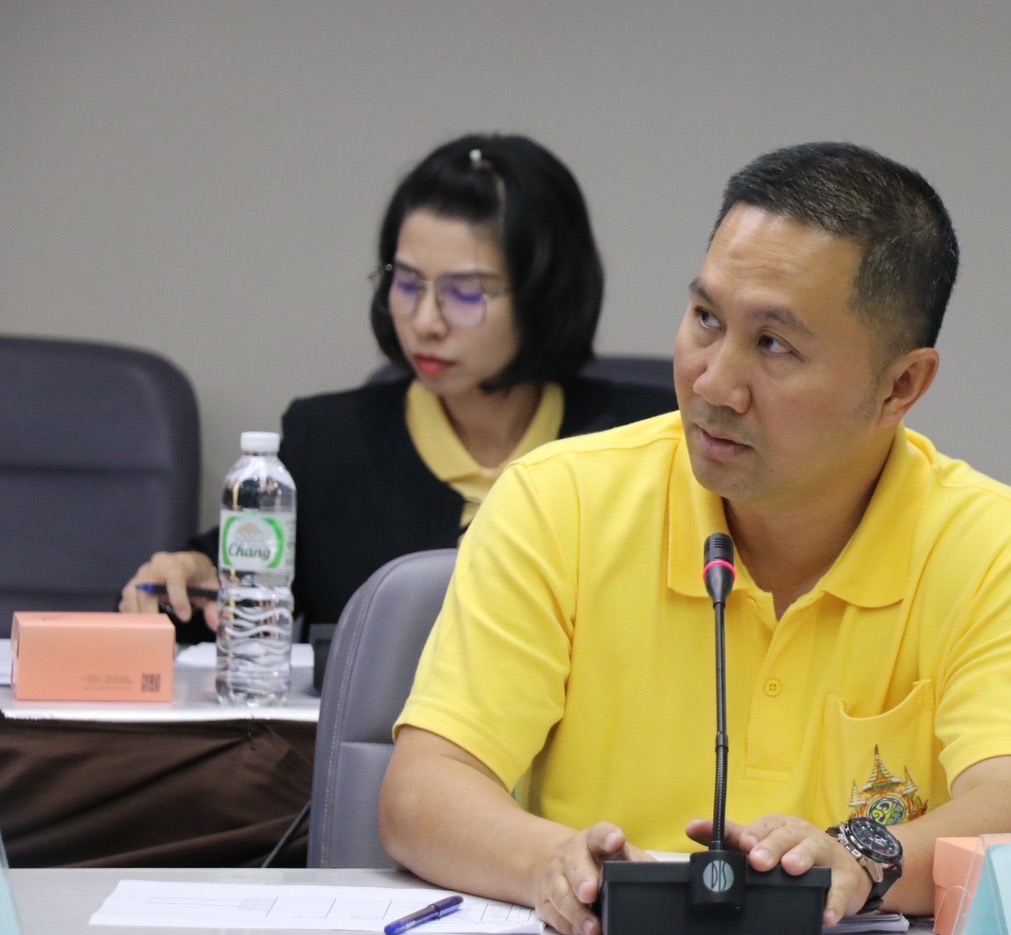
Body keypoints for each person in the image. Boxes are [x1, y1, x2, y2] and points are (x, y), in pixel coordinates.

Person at [381, 142, 1011, 935]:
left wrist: (859, 859)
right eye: (706, 319)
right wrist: (552, 862)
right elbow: (422, 791)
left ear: (900, 385)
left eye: (774, 344)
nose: (712, 382)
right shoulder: (558, 501)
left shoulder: (991, 547)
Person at [119, 133, 675, 635]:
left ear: (545, 295)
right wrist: (187, 580)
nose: (426, 322)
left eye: (465, 292)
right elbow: (218, 602)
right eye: (407, 283)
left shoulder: (642, 443)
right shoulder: (326, 442)